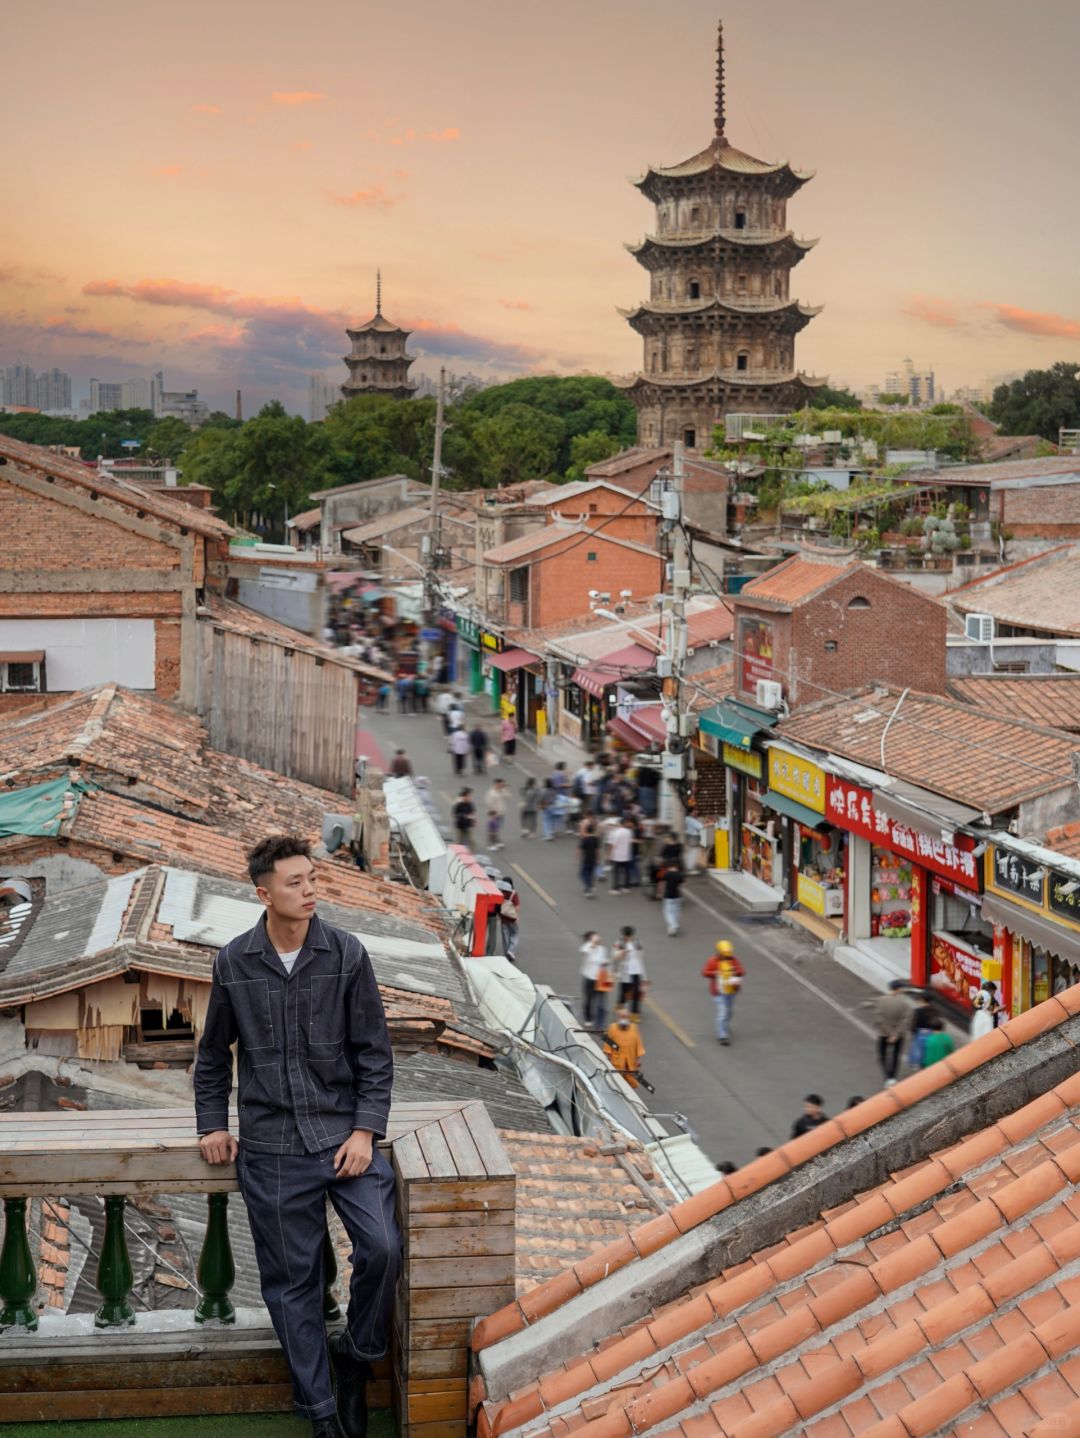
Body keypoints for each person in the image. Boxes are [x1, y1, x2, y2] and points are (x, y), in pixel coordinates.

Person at [195, 835, 399, 1438]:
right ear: (264, 893)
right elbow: (213, 1058)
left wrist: (365, 1131)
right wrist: (212, 1124)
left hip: (342, 1136)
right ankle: (323, 1414)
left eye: (313, 879)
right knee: (293, 1285)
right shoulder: (234, 961)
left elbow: (375, 1055)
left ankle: (357, 1360)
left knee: (383, 1247)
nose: (310, 890)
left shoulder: (346, 953)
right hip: (271, 1145)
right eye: (295, 882)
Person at [701, 939, 745, 1045]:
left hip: (731, 991)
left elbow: (742, 971)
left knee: (729, 1012)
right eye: (724, 954)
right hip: (719, 993)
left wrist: (735, 972)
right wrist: (714, 973)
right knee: (722, 1013)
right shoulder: (713, 961)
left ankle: (724, 1025)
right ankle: (722, 1035)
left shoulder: (733, 960)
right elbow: (705, 972)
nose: (727, 956)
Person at [871, 979, 910, 1087]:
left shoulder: (880, 1001)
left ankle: (887, 1077)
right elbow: (904, 1020)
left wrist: (889, 1033)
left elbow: (880, 1019)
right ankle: (893, 1077)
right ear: (898, 989)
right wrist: (895, 1034)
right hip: (899, 1035)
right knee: (895, 1056)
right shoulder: (904, 1004)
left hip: (883, 1033)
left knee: (882, 1056)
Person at [604, 1008, 646, 1088]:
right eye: (622, 1017)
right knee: (616, 1085)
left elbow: (638, 1044)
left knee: (631, 1084)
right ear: (618, 1018)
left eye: (626, 1017)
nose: (624, 1019)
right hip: (616, 1063)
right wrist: (608, 1060)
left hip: (630, 1063)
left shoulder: (634, 1028)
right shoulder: (612, 1028)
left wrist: (638, 1059)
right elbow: (608, 1046)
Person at [613, 926, 647, 1017]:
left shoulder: (637, 942)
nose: (628, 938)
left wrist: (638, 948)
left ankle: (635, 1013)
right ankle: (620, 1004)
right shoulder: (619, 943)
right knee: (624, 991)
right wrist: (622, 952)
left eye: (630, 936)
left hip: (636, 970)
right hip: (625, 970)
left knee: (636, 991)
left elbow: (642, 954)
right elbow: (614, 955)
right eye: (627, 936)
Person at [580, 931, 608, 1027]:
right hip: (589, 978)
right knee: (589, 999)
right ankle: (588, 1018)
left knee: (601, 1001)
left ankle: (600, 1022)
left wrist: (606, 963)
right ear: (591, 939)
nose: (598, 938)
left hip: (600, 979)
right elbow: (584, 952)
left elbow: (603, 961)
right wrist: (592, 943)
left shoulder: (602, 949)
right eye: (595, 937)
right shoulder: (586, 947)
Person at [607, 817, 634, 894]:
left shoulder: (616, 832)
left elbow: (613, 845)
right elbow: (629, 842)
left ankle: (616, 888)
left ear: (619, 824)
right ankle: (627, 887)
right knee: (626, 871)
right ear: (624, 823)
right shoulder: (629, 832)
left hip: (617, 856)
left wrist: (610, 855)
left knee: (616, 872)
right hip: (626, 855)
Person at [661, 854, 684, 937]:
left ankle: (673, 925)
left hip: (668, 896)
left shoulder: (667, 874)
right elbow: (683, 883)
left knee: (667, 912)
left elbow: (662, 884)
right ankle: (673, 926)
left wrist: (660, 892)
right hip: (677, 896)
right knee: (676, 911)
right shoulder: (679, 874)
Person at [579, 817, 600, 898]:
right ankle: (591, 887)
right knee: (591, 874)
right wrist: (598, 859)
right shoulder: (595, 839)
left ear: (586, 830)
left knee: (583, 874)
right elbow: (597, 851)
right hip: (593, 860)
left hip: (586, 860)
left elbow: (581, 850)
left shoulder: (585, 840)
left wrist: (579, 859)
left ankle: (589, 888)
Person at [499, 885, 520, 962]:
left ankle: (506, 952)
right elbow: (517, 906)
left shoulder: (501, 892)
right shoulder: (513, 894)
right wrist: (517, 916)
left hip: (503, 919)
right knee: (514, 934)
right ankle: (511, 951)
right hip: (512, 919)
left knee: (505, 936)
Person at [486, 777, 508, 852]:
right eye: (499, 784)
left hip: (501, 812)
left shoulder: (502, 791)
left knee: (498, 828)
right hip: (494, 813)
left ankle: (497, 842)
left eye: (502, 784)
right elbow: (489, 803)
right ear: (496, 784)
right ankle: (491, 844)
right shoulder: (491, 792)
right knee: (493, 830)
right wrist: (492, 814)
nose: (500, 785)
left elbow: (508, 796)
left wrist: (503, 789)